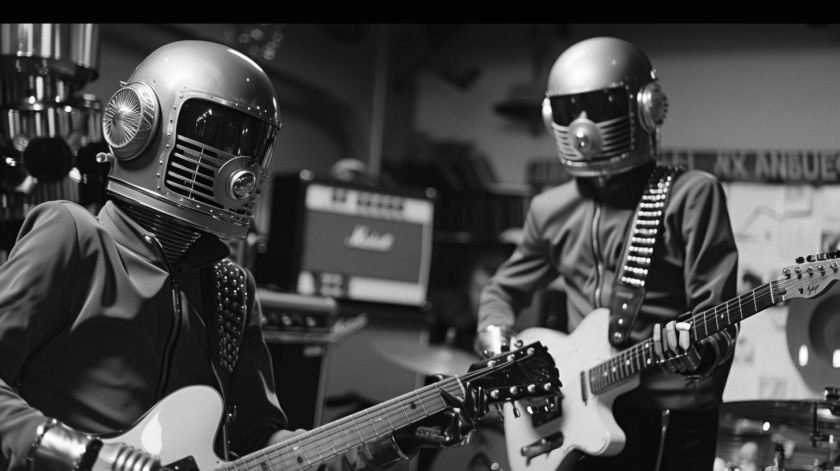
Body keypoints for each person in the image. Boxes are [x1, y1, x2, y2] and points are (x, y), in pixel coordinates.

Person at [0, 40, 481, 471]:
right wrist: (85, 455)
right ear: (138, 125)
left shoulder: (229, 288)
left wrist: (384, 439)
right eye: (214, 134)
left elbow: (259, 443)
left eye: (251, 143)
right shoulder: (72, 235)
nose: (237, 163)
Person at [474, 36, 739, 471]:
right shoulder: (549, 208)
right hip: (577, 413)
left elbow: (718, 315)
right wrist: (501, 352)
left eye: (599, 106)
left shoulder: (691, 195)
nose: (583, 126)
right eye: (569, 110)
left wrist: (697, 352)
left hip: (669, 412)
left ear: (646, 108)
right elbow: (501, 291)